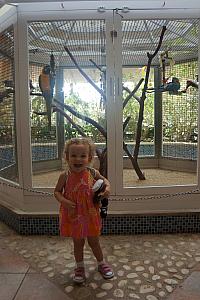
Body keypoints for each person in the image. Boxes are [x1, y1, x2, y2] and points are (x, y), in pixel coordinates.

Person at [54, 137, 114, 284]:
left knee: (94, 242)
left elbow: (105, 181)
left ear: (89, 158)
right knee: (78, 243)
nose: (78, 159)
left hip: (90, 214)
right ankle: (79, 267)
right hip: (74, 216)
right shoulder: (65, 176)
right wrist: (64, 201)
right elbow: (57, 192)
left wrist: (107, 189)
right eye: (73, 155)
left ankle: (101, 264)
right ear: (67, 157)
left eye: (82, 156)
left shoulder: (92, 173)